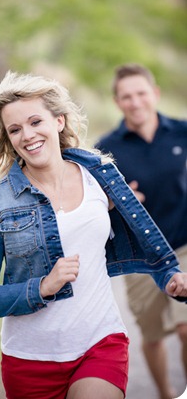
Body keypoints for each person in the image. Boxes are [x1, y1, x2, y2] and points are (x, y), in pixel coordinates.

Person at [0, 70, 187, 399]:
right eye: (15, 129)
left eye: (35, 121)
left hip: (100, 343)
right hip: (30, 359)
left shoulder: (100, 175)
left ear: (58, 121)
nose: (27, 135)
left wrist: (168, 273)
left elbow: (143, 233)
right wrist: (42, 287)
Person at [96, 63, 187, 399]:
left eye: (141, 94)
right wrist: (117, 201)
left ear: (155, 95)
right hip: (141, 255)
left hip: (184, 243)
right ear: (118, 102)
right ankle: (164, 392)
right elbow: (96, 203)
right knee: (152, 336)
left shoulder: (181, 131)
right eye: (126, 97)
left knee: (186, 327)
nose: (135, 102)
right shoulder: (107, 149)